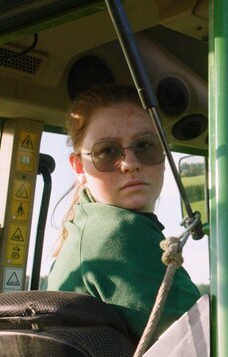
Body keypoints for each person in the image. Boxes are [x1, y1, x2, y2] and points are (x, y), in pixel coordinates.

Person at [47, 84, 200, 340]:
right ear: (79, 168)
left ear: (164, 155)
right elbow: (215, 348)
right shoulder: (119, 233)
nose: (130, 164)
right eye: (107, 152)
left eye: (145, 146)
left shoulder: (84, 228)